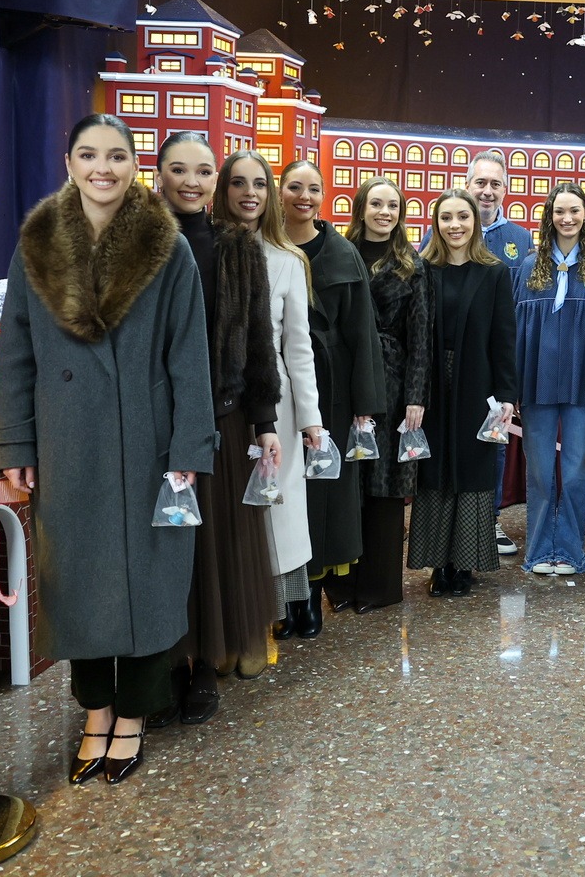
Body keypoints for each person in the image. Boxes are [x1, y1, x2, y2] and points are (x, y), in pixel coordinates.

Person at [0, 113, 215, 785]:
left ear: (134, 166)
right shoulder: (36, 246)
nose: (103, 168)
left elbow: (189, 358)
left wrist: (188, 447)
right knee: (77, 582)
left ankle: (136, 713)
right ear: (69, 163)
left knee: (148, 579)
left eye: (116, 156)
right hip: (67, 442)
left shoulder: (167, 247)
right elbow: (15, 353)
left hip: (148, 441)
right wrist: (14, 441)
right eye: (89, 155)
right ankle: (96, 711)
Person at [149, 132, 282, 730]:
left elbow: (258, 338)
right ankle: (163, 663)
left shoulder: (236, 246)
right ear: (159, 175)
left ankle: (203, 663)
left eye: (203, 171)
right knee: (160, 544)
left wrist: (265, 420)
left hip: (222, 417)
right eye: (179, 169)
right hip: (154, 420)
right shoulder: (140, 241)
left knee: (212, 546)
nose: (192, 181)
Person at [214, 152, 323, 634]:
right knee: (228, 509)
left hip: (274, 403)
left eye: (259, 183)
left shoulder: (288, 260)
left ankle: (277, 611)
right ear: (223, 189)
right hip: (217, 400)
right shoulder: (203, 252)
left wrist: (311, 418)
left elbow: (299, 347)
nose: (249, 193)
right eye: (238, 182)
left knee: (276, 507)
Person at [279, 160, 386, 625]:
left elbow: (363, 334)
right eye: (294, 187)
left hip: (332, 392)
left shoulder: (344, 254)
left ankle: (309, 597)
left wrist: (365, 406)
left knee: (323, 497)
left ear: (324, 196)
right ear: (280, 193)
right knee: (279, 490)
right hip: (276, 387)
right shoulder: (264, 245)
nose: (304, 196)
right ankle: (280, 596)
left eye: (313, 189)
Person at [423, 152, 534, 558]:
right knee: (440, 458)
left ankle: (483, 528)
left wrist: (507, 388)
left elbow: (512, 321)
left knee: (485, 453)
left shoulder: (516, 244)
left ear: (505, 189)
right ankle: (440, 546)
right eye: (480, 183)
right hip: (439, 372)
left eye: (495, 184)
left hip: (483, 370)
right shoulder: (429, 252)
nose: (487, 190)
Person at [411, 188, 519, 597]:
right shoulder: (422, 270)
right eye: (446, 217)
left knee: (472, 470)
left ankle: (464, 564)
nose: (454, 225)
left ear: (476, 222)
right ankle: (439, 564)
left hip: (477, 384)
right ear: (436, 224)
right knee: (435, 470)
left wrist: (507, 394)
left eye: (463, 217)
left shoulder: (494, 272)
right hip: (432, 383)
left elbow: (504, 338)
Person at [344, 176, 430, 610]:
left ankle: (379, 587)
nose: (384, 212)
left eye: (392, 206)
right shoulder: (340, 254)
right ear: (361, 208)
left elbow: (421, 338)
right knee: (346, 484)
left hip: (393, 385)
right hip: (344, 377)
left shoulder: (412, 265)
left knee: (384, 487)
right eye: (376, 204)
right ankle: (340, 585)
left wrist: (416, 396)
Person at [514, 183, 585, 576]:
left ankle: (569, 551)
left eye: (574, 211)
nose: (566, 219)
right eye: (559, 211)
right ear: (549, 217)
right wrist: (513, 382)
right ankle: (538, 551)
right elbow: (515, 329)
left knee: (574, 471)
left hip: (583, 382)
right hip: (535, 381)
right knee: (539, 472)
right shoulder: (528, 268)